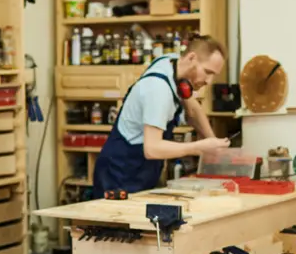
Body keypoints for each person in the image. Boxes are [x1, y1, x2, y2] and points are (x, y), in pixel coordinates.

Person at [93, 34, 230, 197]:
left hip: (141, 170)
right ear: (192, 58)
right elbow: (152, 149)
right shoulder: (158, 90)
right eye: (207, 72)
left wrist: (214, 146)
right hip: (120, 174)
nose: (209, 80)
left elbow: (193, 110)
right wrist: (198, 148)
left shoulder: (172, 62)